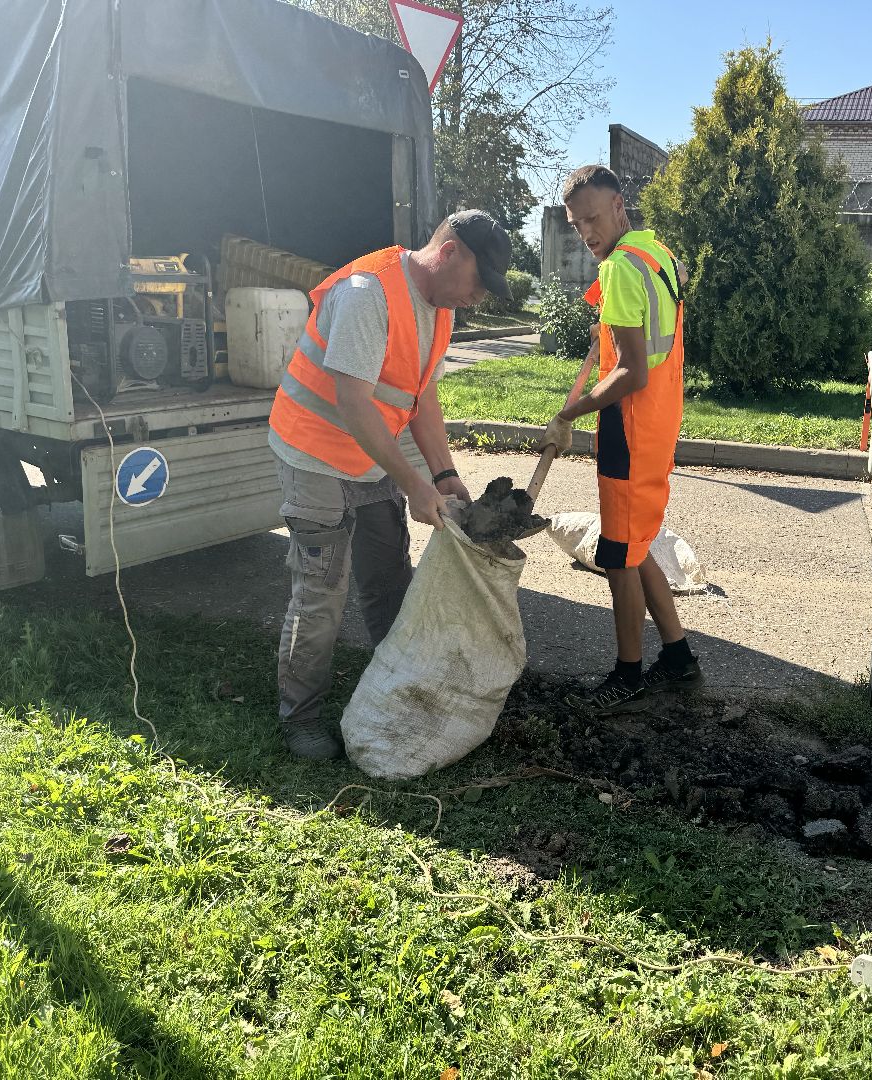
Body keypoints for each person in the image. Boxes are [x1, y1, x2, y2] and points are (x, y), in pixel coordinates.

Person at [268, 211, 512, 758]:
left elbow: (420, 398)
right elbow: (353, 404)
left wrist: (444, 475)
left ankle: (394, 687)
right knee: (321, 595)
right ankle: (300, 718)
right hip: (314, 453)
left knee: (388, 577)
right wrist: (413, 484)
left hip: (369, 459)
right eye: (479, 280)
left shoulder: (441, 309)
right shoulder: (366, 294)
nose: (480, 296)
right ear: (449, 252)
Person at [541, 165, 702, 714]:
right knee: (634, 544)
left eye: (591, 218)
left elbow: (632, 371)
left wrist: (574, 409)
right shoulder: (653, 252)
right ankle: (678, 656)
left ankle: (628, 671)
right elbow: (645, 330)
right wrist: (609, 326)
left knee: (616, 555)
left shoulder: (618, 270)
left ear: (617, 204)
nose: (585, 232)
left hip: (629, 427)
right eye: (575, 223)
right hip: (657, 423)